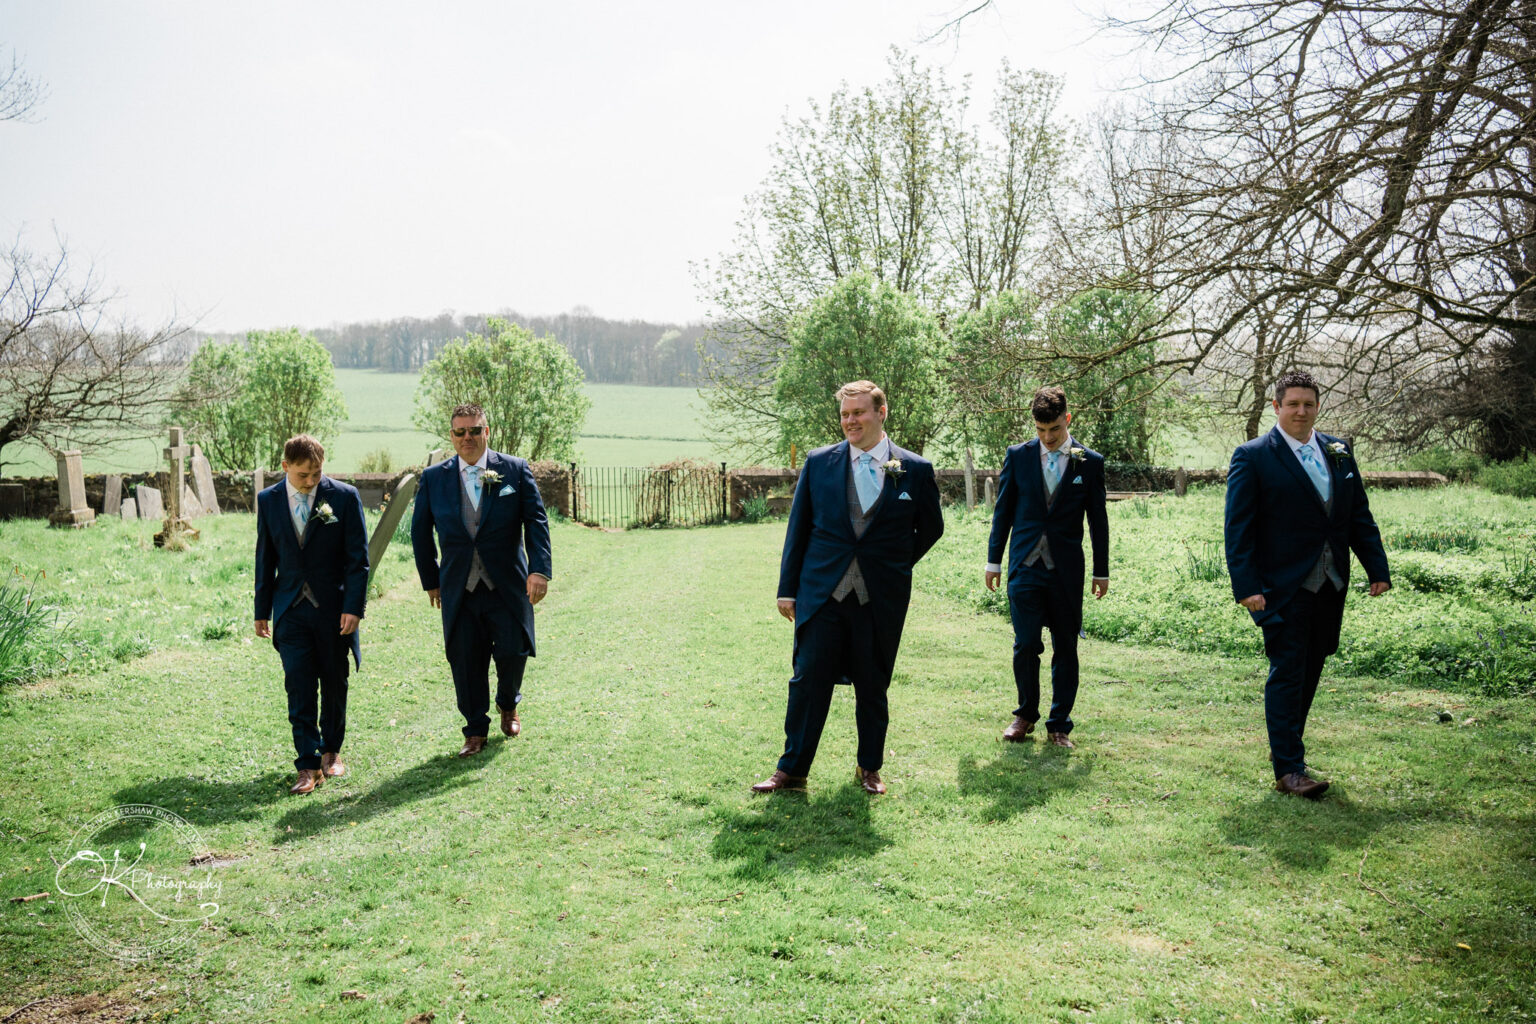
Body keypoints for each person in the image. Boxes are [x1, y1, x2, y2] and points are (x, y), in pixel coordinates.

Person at [753, 380, 944, 796]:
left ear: (881, 413)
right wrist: (788, 589)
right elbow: (798, 529)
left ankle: (869, 768)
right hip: (822, 593)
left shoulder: (915, 469)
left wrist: (893, 565)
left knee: (873, 685)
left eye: (858, 412)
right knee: (808, 680)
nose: (850, 421)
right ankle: (792, 771)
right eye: (845, 414)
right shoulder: (819, 463)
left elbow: (931, 528)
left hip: (880, 599)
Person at [1224, 370, 1391, 798]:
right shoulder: (1253, 455)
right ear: (1276, 407)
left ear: (1318, 407)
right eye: (1292, 403)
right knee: (1287, 671)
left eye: (1309, 404)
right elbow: (1238, 528)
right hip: (1281, 586)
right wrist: (1246, 586)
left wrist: (1377, 568)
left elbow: (1357, 514)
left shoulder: (1339, 450)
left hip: (1330, 583)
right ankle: (1289, 770)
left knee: (1312, 666)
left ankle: (1286, 753)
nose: (1301, 411)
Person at [411, 403, 552, 757]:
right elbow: (419, 533)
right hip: (459, 586)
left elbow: (536, 521)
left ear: (486, 432)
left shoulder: (515, 471)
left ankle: (508, 702)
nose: (467, 438)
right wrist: (431, 579)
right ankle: (474, 730)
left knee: (513, 650)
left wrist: (539, 570)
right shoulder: (434, 478)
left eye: (474, 430)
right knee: (465, 659)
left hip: (507, 584)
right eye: (460, 432)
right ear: (452, 435)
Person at [984, 386, 1109, 749]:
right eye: (1040, 430)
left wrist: (1101, 570)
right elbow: (1002, 513)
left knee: (1065, 648)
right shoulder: (1018, 456)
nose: (1048, 438)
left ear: (1067, 419)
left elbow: (1098, 521)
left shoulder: (1090, 462)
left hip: (1067, 571)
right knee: (1025, 644)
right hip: (1024, 566)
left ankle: (1059, 725)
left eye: (1054, 429)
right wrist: (993, 561)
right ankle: (1024, 715)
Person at [254, 434, 369, 795]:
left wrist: (353, 608)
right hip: (289, 609)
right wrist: (261, 610)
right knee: (298, 685)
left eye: (317, 474)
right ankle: (306, 764)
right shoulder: (268, 501)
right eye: (303, 474)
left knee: (334, 682)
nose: (310, 482)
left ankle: (331, 752)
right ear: (286, 467)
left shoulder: (344, 498)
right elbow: (264, 559)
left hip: (334, 611)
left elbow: (358, 561)